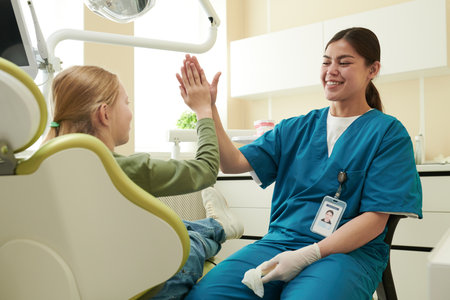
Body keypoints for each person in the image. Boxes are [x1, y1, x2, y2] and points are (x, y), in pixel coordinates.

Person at [182, 27, 422, 300]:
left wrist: (309, 254)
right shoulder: (296, 128)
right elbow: (231, 162)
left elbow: (376, 221)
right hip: (280, 243)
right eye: (326, 61)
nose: (331, 70)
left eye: (344, 62)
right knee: (207, 296)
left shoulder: (388, 134)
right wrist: (208, 108)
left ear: (372, 69)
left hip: (347, 254)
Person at [43, 64, 244, 299]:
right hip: (147, 287)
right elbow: (207, 169)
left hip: (79, 283)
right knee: (187, 242)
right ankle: (218, 227)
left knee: (173, 224)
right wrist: (203, 110)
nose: (130, 112)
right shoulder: (123, 169)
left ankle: (209, 224)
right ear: (104, 114)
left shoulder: (39, 169)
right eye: (126, 103)